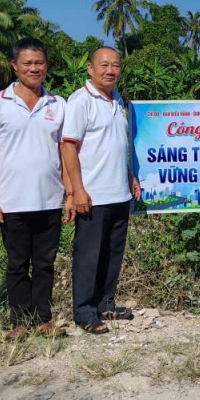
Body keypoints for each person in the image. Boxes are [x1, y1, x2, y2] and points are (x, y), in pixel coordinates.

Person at [0, 38, 66, 339]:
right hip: (13, 201)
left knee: (45, 264)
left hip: (50, 199)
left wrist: (70, 194)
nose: (34, 68)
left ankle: (43, 319)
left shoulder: (58, 104)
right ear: (15, 66)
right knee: (17, 264)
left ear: (47, 66)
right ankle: (19, 322)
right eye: (27, 63)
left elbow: (66, 152)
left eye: (39, 63)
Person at [61, 46, 141, 335]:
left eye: (116, 65)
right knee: (89, 256)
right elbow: (68, 147)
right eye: (104, 65)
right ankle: (84, 311)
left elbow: (116, 145)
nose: (110, 71)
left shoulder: (118, 100)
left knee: (112, 253)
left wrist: (130, 176)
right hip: (93, 195)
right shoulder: (80, 101)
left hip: (119, 194)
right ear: (91, 69)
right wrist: (76, 191)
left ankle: (106, 303)